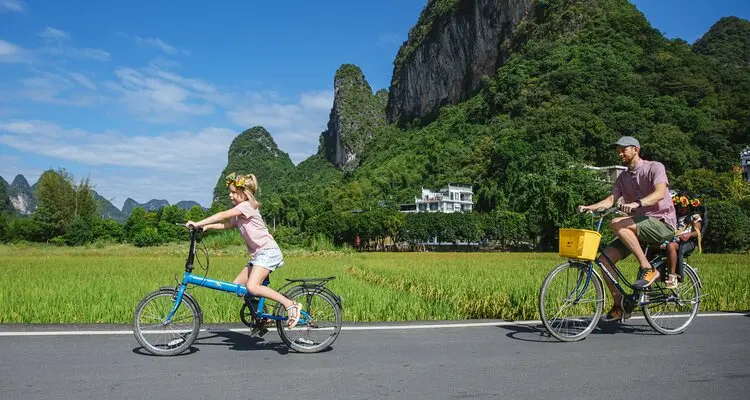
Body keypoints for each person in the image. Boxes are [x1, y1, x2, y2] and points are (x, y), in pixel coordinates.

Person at [578, 136, 677, 322]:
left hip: (662, 223)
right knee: (603, 261)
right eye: (618, 150)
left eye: (624, 149)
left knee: (617, 223)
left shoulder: (655, 167)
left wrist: (637, 203)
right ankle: (621, 304)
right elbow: (610, 200)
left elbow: (660, 193)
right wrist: (588, 207)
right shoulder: (623, 177)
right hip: (638, 227)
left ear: (636, 149)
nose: (620, 153)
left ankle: (647, 268)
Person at [185, 172, 302, 329]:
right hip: (259, 255)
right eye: (230, 192)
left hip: (268, 251)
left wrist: (198, 222)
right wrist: (206, 227)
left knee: (252, 287)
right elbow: (228, 224)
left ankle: (291, 305)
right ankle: (261, 315)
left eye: (234, 192)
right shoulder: (240, 211)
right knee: (237, 286)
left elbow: (222, 215)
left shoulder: (246, 206)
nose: (230, 195)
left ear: (244, 193)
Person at [665, 192, 703, 289]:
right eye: (679, 206)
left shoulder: (694, 216)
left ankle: (672, 275)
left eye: (684, 206)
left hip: (686, 242)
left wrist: (689, 234)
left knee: (671, 246)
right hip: (674, 239)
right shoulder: (675, 216)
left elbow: (698, 232)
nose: (682, 209)